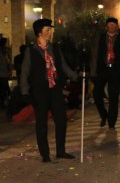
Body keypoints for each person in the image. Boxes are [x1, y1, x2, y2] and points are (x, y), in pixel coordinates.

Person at [20, 18, 78, 162]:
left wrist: (77, 76)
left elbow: (63, 66)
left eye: (50, 30)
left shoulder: (55, 48)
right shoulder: (31, 50)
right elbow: (25, 72)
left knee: (61, 120)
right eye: (47, 30)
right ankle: (45, 154)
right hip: (40, 91)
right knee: (42, 123)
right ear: (39, 33)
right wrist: (25, 92)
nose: (50, 32)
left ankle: (60, 151)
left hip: (55, 89)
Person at [89, 17, 120, 129]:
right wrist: (93, 72)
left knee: (113, 97)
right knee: (96, 93)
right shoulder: (100, 38)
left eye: (114, 25)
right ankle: (104, 115)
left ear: (116, 27)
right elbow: (94, 55)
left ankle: (111, 122)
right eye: (109, 25)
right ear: (106, 27)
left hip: (115, 70)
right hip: (103, 69)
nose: (111, 27)